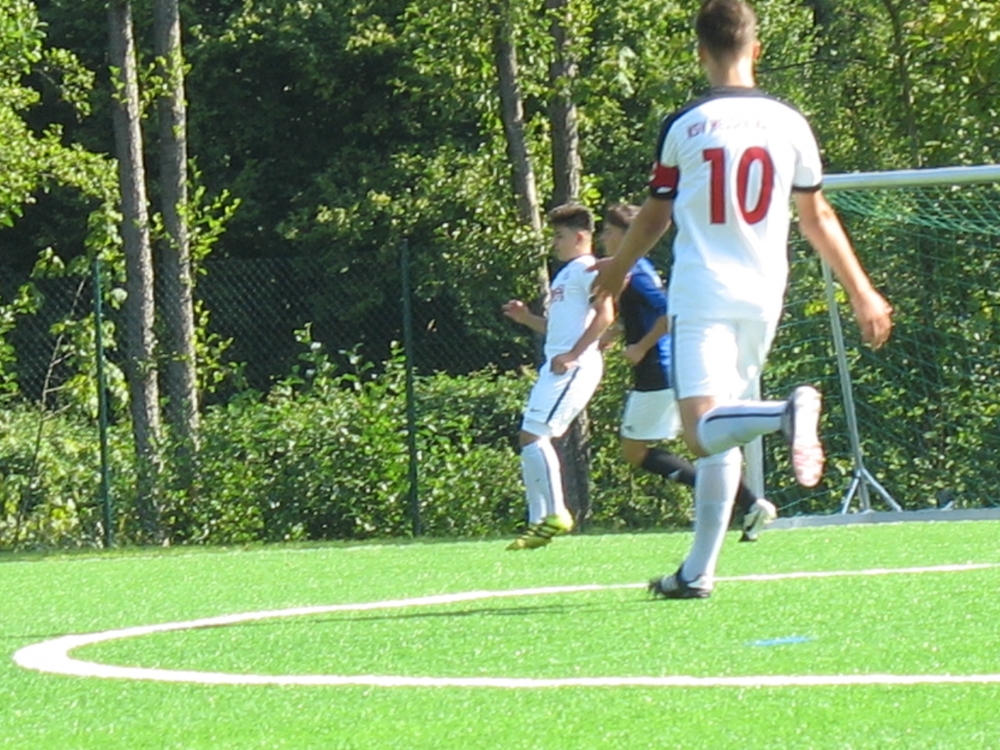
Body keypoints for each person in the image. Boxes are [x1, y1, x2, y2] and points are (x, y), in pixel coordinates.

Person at [592, 0, 893, 598]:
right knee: (723, 431)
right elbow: (817, 216)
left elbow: (653, 218)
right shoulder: (790, 122)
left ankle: (786, 413)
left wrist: (616, 271)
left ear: (701, 53)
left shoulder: (686, 123)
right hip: (763, 294)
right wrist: (862, 290)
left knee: (701, 432)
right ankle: (697, 572)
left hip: (703, 292)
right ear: (756, 50)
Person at [599, 203, 776, 542]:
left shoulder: (634, 273)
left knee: (636, 450)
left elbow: (669, 312)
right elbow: (647, 315)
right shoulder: (638, 268)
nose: (603, 238)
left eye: (609, 232)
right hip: (665, 368)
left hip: (657, 369)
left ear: (628, 236)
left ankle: (742, 501)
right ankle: (748, 503)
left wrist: (641, 347)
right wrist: (619, 332)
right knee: (699, 441)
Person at [503, 204, 615, 550]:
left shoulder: (587, 268)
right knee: (529, 436)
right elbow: (559, 328)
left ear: (580, 236)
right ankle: (538, 520)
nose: (555, 242)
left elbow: (606, 315)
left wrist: (574, 354)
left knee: (534, 435)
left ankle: (556, 513)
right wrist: (526, 319)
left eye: (560, 236)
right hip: (558, 366)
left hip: (573, 367)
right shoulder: (567, 274)